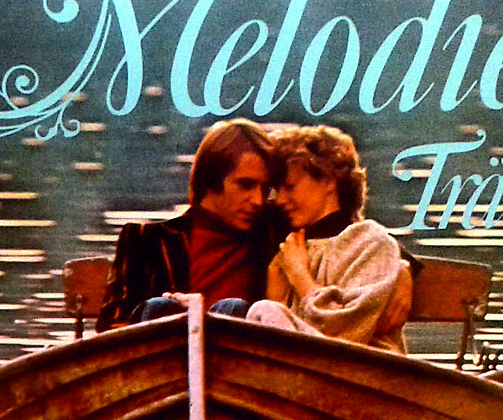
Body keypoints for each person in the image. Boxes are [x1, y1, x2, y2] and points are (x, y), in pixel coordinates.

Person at [96, 119, 283, 331]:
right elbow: (112, 326)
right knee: (162, 308)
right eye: (246, 185)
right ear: (212, 179)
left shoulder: (271, 233)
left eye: (266, 189)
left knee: (233, 308)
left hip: (238, 345)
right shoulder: (146, 239)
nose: (258, 200)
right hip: (162, 345)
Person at [247, 125, 413, 351]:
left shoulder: (370, 242)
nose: (280, 200)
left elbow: (348, 334)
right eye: (277, 190)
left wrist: (300, 276)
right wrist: (276, 294)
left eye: (290, 187)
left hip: (364, 366)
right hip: (303, 365)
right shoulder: (288, 246)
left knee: (265, 311)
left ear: (328, 181)